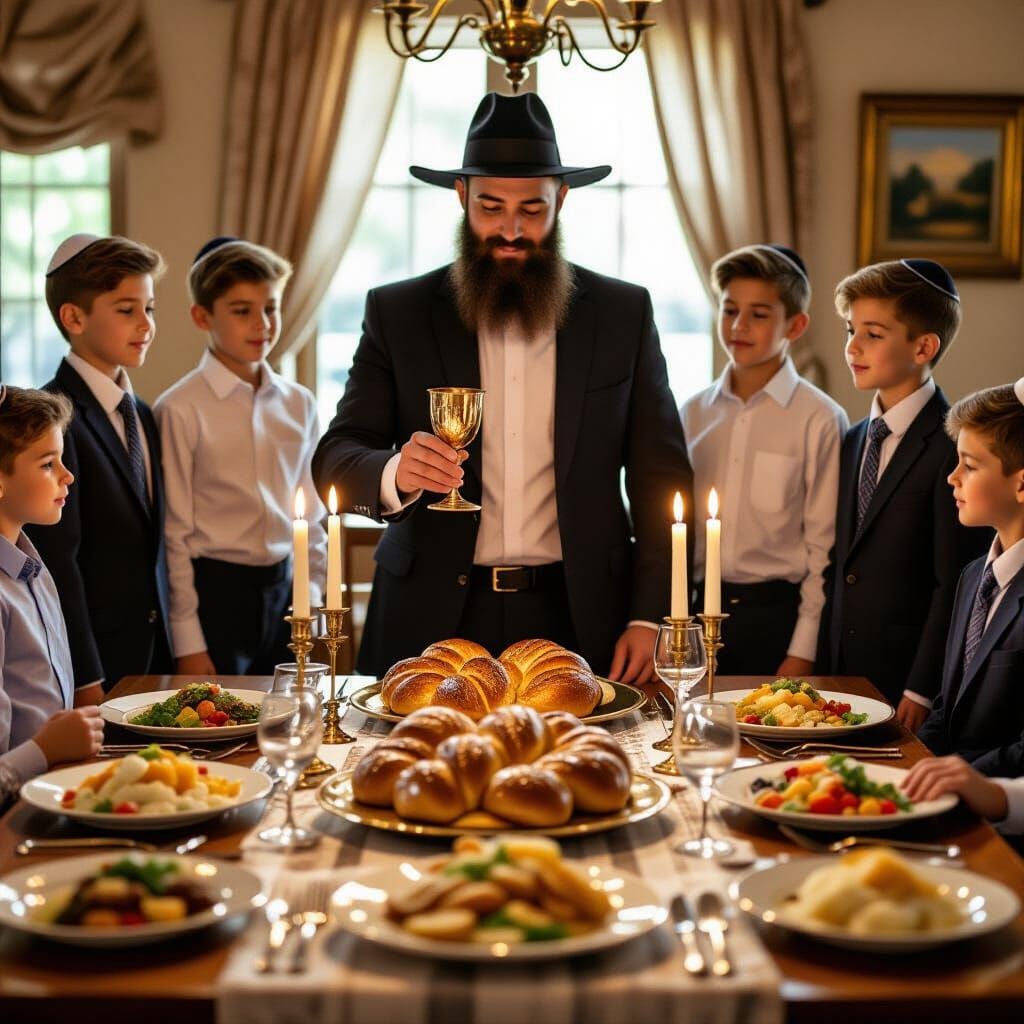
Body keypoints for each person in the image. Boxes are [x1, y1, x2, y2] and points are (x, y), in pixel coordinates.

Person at [312, 92, 693, 682]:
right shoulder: (399, 311)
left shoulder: (622, 313)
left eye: (532, 210)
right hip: (429, 614)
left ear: (561, 201)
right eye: (490, 206)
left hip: (581, 611)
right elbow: (337, 455)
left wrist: (652, 616)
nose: (510, 230)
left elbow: (660, 477)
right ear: (461, 197)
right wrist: (396, 472)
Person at [816, 259, 989, 728]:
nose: (852, 346)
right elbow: (843, 564)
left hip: (905, 677)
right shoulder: (854, 439)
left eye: (873, 333)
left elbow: (954, 578)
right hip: (839, 673)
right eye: (851, 329)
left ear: (923, 347)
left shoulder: (953, 444)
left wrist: (922, 684)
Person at [155, 237, 327, 674]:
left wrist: (316, 597)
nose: (262, 324)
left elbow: (315, 517)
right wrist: (187, 641)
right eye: (241, 311)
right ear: (202, 316)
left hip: (287, 591)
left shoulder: (299, 403)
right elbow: (173, 535)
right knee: (219, 727)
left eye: (270, 308)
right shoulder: (179, 408)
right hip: (216, 596)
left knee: (289, 718)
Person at [681, 244, 847, 675]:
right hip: (695, 615)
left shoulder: (820, 418)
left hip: (776, 621)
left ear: (795, 325)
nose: (738, 325)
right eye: (729, 309)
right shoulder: (693, 412)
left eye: (758, 314)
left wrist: (803, 649)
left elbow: (823, 548)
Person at [27, 234, 173, 693]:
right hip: (96, 662)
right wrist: (87, 675)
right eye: (126, 310)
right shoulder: (54, 417)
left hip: (153, 650)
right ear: (74, 317)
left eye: (149, 308)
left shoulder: (142, 413)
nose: (145, 325)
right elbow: (59, 560)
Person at [915, 381, 1024, 776]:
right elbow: (949, 705)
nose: (952, 477)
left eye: (970, 465)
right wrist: (904, 763)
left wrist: (958, 777)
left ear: (1021, 483)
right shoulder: (974, 573)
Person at [0, 384, 105, 793]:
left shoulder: (35, 569)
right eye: (48, 464)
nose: (68, 475)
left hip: (56, 789)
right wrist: (44, 750)